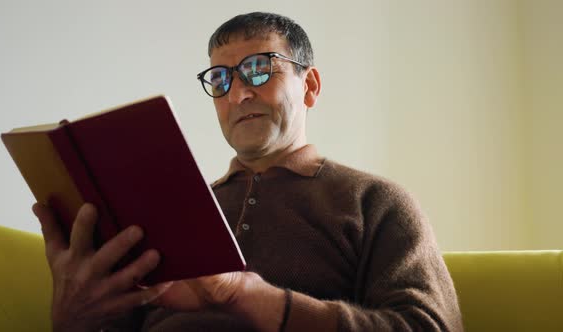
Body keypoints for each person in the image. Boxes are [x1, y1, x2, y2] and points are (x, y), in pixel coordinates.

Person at [33, 12, 463, 332]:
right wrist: (72, 315)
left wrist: (249, 297)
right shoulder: (170, 211)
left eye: (258, 68)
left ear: (309, 86)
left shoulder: (375, 201)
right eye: (220, 79)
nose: (238, 93)